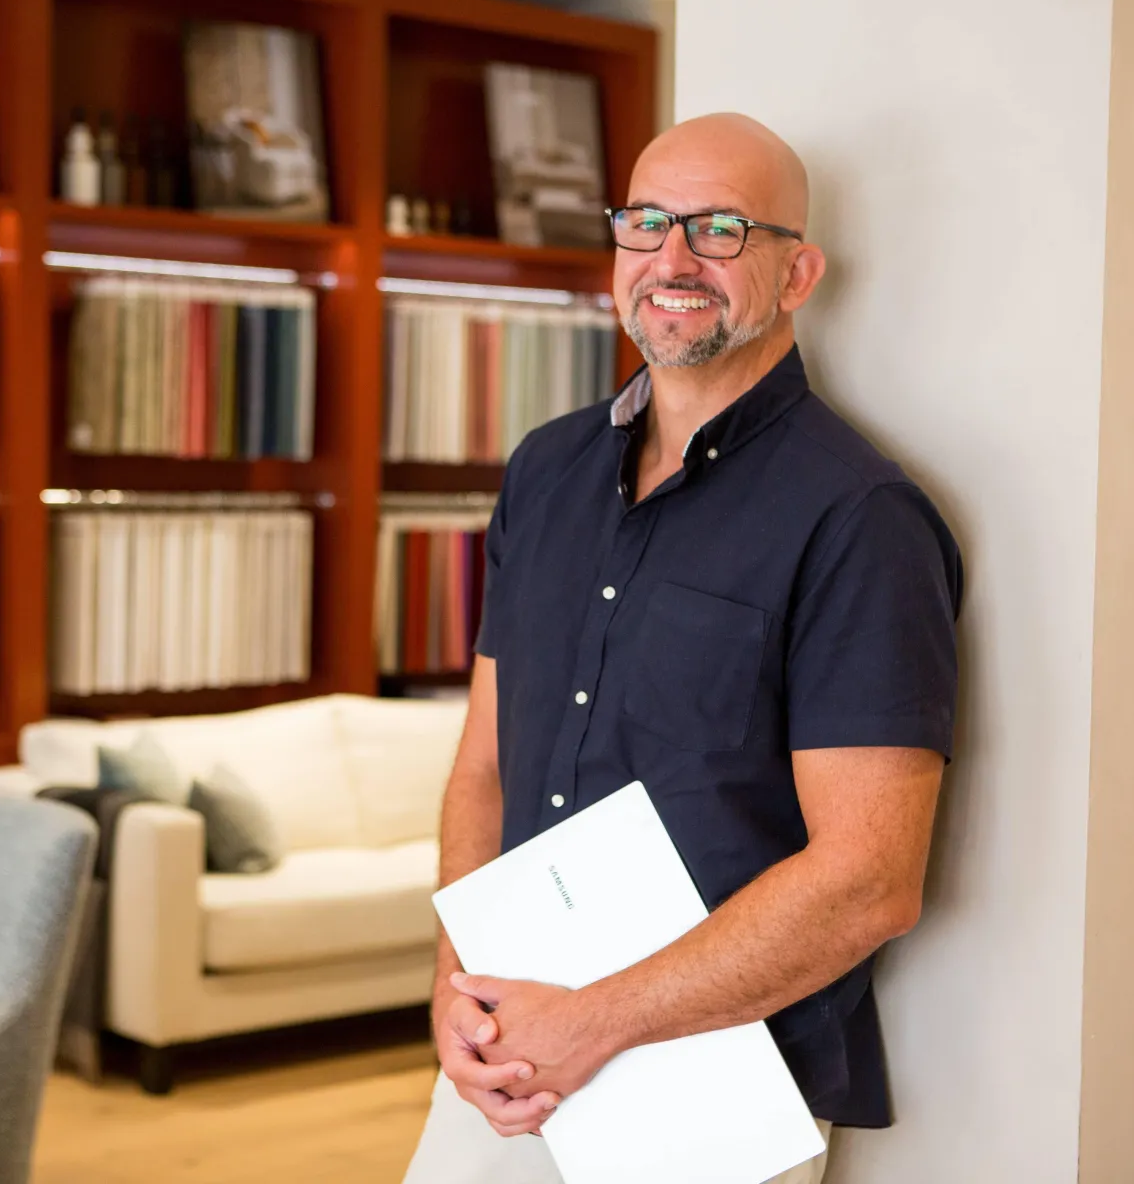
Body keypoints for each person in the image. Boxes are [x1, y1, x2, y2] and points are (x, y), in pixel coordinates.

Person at [402, 112, 963, 1184]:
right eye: (647, 223)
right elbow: (483, 767)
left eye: (718, 230)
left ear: (796, 275)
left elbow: (869, 880)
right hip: (510, 1052)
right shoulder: (545, 471)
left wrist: (598, 1021)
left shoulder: (860, 517)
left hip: (719, 1088)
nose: (672, 260)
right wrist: (456, 982)